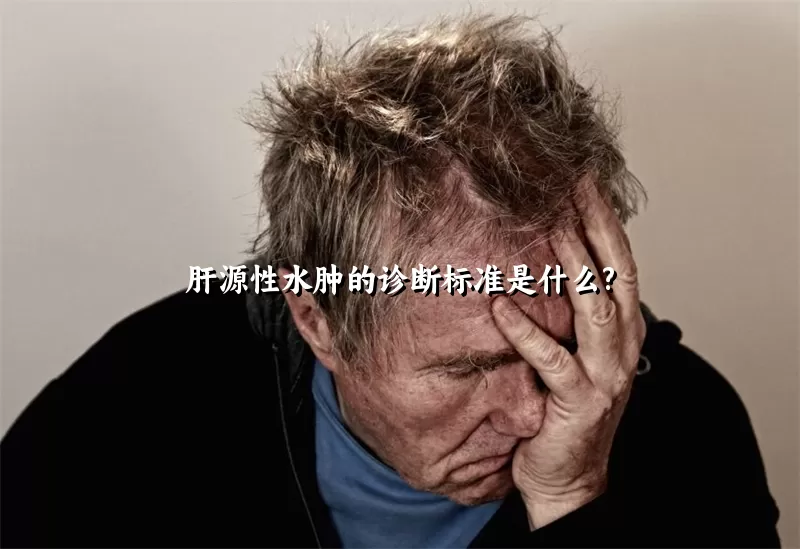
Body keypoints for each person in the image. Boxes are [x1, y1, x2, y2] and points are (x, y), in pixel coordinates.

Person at [0, 12, 781, 549]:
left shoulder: (687, 426)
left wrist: (573, 501)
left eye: (562, 346)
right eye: (468, 367)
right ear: (317, 316)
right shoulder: (139, 403)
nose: (532, 413)